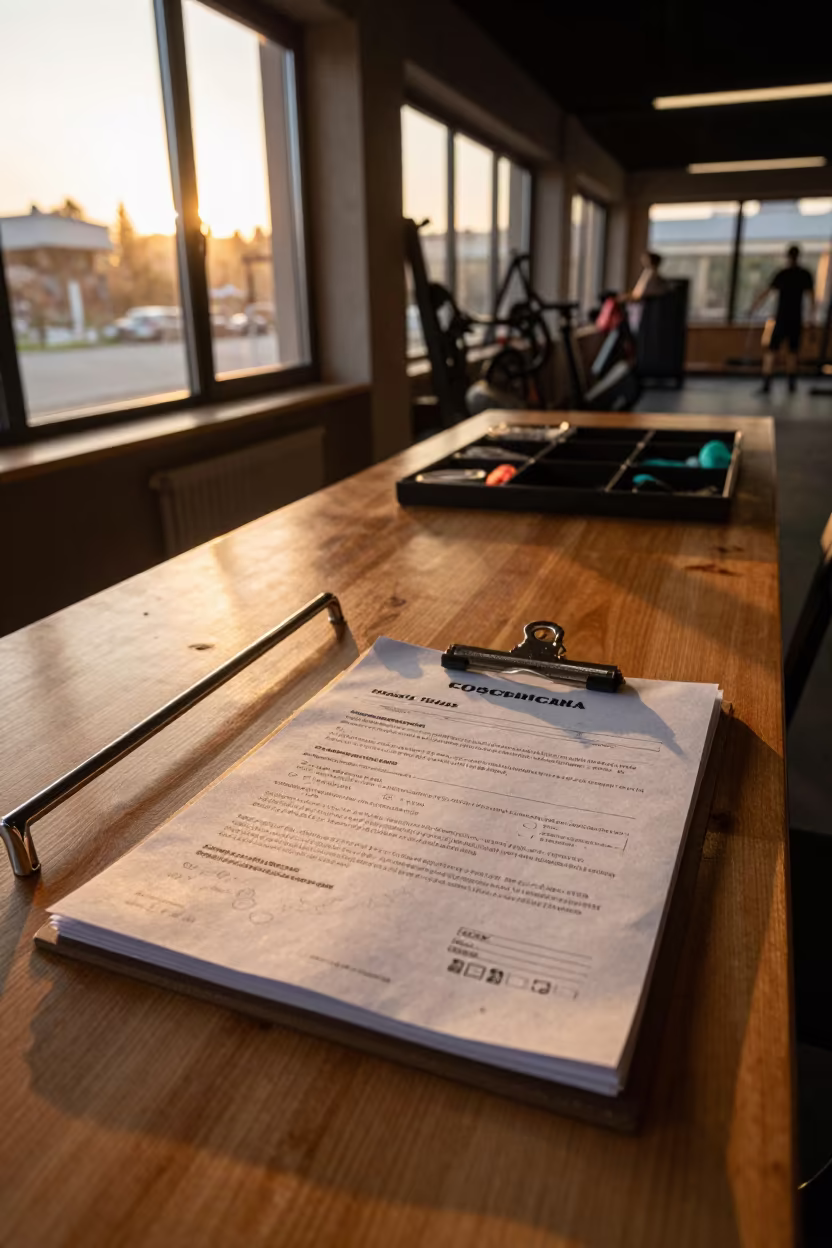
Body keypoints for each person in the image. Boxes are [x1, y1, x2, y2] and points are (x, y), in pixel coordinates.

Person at [749, 244, 816, 394]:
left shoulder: (783, 274)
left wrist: (754, 306)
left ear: (788, 256)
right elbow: (812, 299)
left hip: (782, 317)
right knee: (792, 351)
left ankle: (767, 383)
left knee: (772, 350)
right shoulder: (804, 274)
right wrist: (811, 319)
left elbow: (766, 293)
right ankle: (791, 384)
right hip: (795, 319)